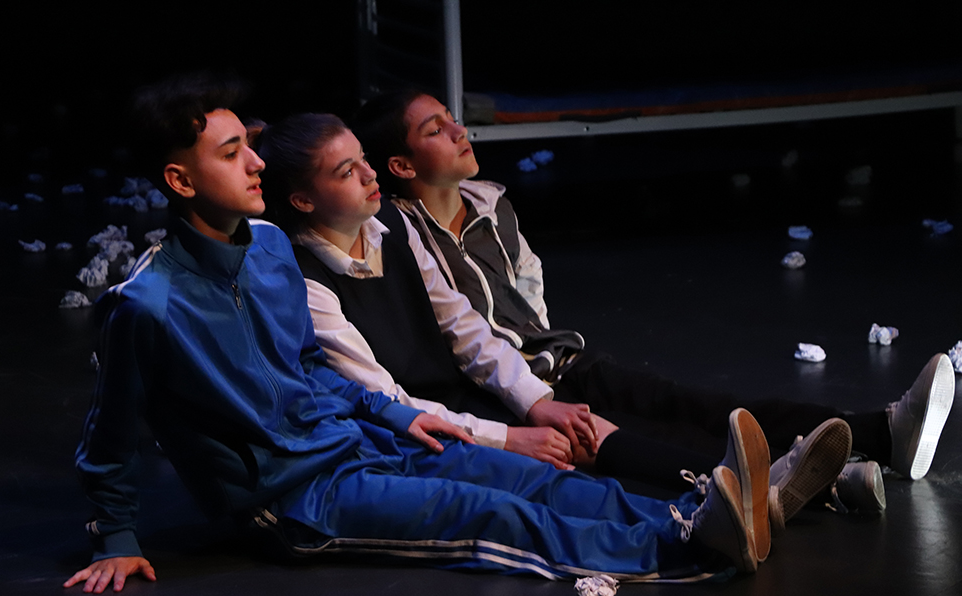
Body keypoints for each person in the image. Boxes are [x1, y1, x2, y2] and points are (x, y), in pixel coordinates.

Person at [63, 75, 769, 594]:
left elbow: (310, 365)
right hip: (293, 498)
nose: (256, 163)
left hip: (357, 439)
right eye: (231, 153)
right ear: (181, 180)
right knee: (485, 512)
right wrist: (115, 536)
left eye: (250, 145)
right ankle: (687, 553)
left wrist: (397, 415)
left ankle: (689, 514)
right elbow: (110, 433)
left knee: (523, 474)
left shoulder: (270, 246)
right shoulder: (147, 305)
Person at [255, 112, 857, 554]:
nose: (368, 175)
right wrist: (507, 437)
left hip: (459, 394)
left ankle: (761, 490)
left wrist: (533, 402)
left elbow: (462, 324)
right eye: (347, 171)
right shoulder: (306, 280)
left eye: (364, 159)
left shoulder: (390, 222)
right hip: (416, 424)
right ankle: (738, 500)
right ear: (303, 200)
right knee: (571, 457)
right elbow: (387, 399)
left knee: (591, 422)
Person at [351, 89, 957, 512]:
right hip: (517, 387)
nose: (459, 130)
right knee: (657, 438)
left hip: (562, 360)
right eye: (435, 130)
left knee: (699, 405)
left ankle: (879, 432)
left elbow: (527, 279)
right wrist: (532, 392)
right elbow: (461, 334)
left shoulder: (490, 202)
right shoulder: (403, 231)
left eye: (452, 118)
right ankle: (827, 482)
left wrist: (546, 342)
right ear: (400, 164)